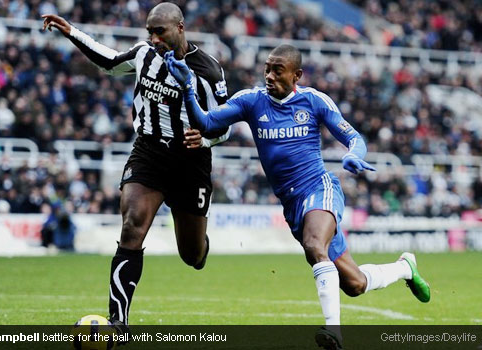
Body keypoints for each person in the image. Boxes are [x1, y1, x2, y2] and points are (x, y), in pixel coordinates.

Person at [164, 44, 430, 350]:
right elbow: (208, 123)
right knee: (355, 284)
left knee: (314, 245)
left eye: (278, 71)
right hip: (293, 206)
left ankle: (334, 333)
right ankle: (404, 267)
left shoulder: (314, 100)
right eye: (267, 68)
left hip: (319, 188)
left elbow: (353, 136)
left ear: (296, 75)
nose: (269, 76)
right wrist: (186, 87)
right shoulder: (251, 101)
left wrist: (354, 154)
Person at [41, 2, 230, 337]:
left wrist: (204, 141)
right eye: (150, 32)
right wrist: (72, 32)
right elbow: (110, 63)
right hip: (149, 153)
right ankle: (118, 322)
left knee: (192, 255)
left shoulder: (209, 71)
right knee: (132, 226)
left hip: (191, 162)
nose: (154, 38)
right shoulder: (144, 54)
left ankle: (201, 245)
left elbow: (224, 127)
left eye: (161, 31)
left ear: (180, 28)